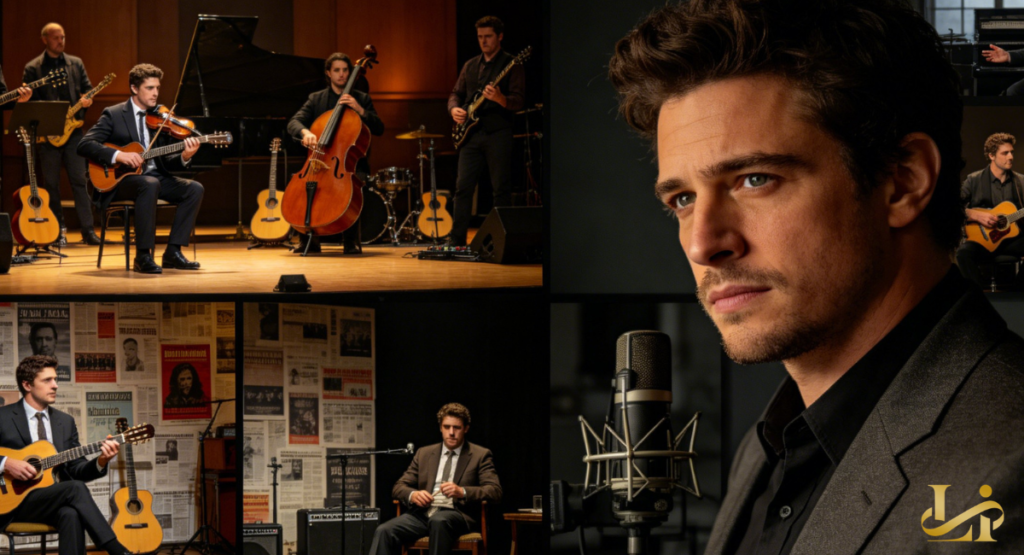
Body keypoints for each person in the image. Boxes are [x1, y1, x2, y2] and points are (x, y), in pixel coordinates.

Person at [608, 0, 1023, 552]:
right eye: (682, 199)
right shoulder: (768, 446)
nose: (703, 244)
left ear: (902, 182)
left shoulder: (1010, 468)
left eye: (755, 179)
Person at [78, 63, 203, 274]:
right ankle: (143, 256)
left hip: (152, 178)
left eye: (157, 88)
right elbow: (84, 145)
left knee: (194, 189)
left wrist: (184, 156)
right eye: (149, 88)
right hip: (120, 181)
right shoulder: (114, 114)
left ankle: (173, 253)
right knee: (149, 183)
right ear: (134, 88)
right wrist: (120, 155)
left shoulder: (160, 118)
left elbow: (165, 162)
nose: (155, 93)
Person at [0, 356, 133, 555]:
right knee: (74, 488)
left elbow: (76, 470)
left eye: (55, 379)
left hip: (49, 501)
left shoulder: (65, 422)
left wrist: (102, 460)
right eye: (47, 380)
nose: (55, 385)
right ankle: (116, 549)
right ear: (27, 385)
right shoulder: (3, 417)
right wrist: (6, 463)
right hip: (9, 503)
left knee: (71, 513)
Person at [369, 403, 501, 555]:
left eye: (457, 428)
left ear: (466, 429)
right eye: (447, 427)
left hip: (456, 515)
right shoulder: (424, 453)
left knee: (438, 521)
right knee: (384, 530)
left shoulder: (480, 455)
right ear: (440, 428)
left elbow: (494, 491)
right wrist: (414, 495)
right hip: (423, 515)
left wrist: (462, 491)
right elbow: (399, 487)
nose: (451, 433)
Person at [287, 52, 385, 254]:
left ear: (350, 73)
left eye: (345, 70)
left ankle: (351, 241)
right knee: (305, 187)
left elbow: (379, 128)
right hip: (318, 161)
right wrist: (306, 133)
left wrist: (360, 110)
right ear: (328, 73)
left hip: (349, 166)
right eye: (337, 70)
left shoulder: (362, 99)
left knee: (354, 185)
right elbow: (294, 122)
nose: (341, 74)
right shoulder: (316, 99)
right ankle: (308, 240)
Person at [447, 16, 525, 247]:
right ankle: (456, 240)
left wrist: (501, 99)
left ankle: (500, 242)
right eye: (480, 37)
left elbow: (518, 100)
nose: (483, 41)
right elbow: (455, 93)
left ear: (500, 36)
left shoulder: (513, 63)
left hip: (498, 133)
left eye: (488, 36)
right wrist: (453, 109)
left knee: (500, 189)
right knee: (462, 188)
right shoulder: (470, 65)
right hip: (470, 135)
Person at [23, 23, 102, 246]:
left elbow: (86, 90)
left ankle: (88, 231)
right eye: (56, 37)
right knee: (51, 184)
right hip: (48, 134)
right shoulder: (33, 68)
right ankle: (57, 232)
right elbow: (31, 102)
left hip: (74, 132)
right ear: (44, 39)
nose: (61, 41)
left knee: (79, 180)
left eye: (63, 37)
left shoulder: (75, 63)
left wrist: (87, 100)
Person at [956, 133, 1024, 288]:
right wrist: (973, 214)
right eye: (1005, 153)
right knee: (963, 254)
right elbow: (953, 206)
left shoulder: (1020, 182)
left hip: (1011, 239)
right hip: (983, 240)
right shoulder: (974, 180)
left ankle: (1016, 292)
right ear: (992, 156)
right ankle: (978, 294)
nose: (1011, 157)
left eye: (1012, 152)